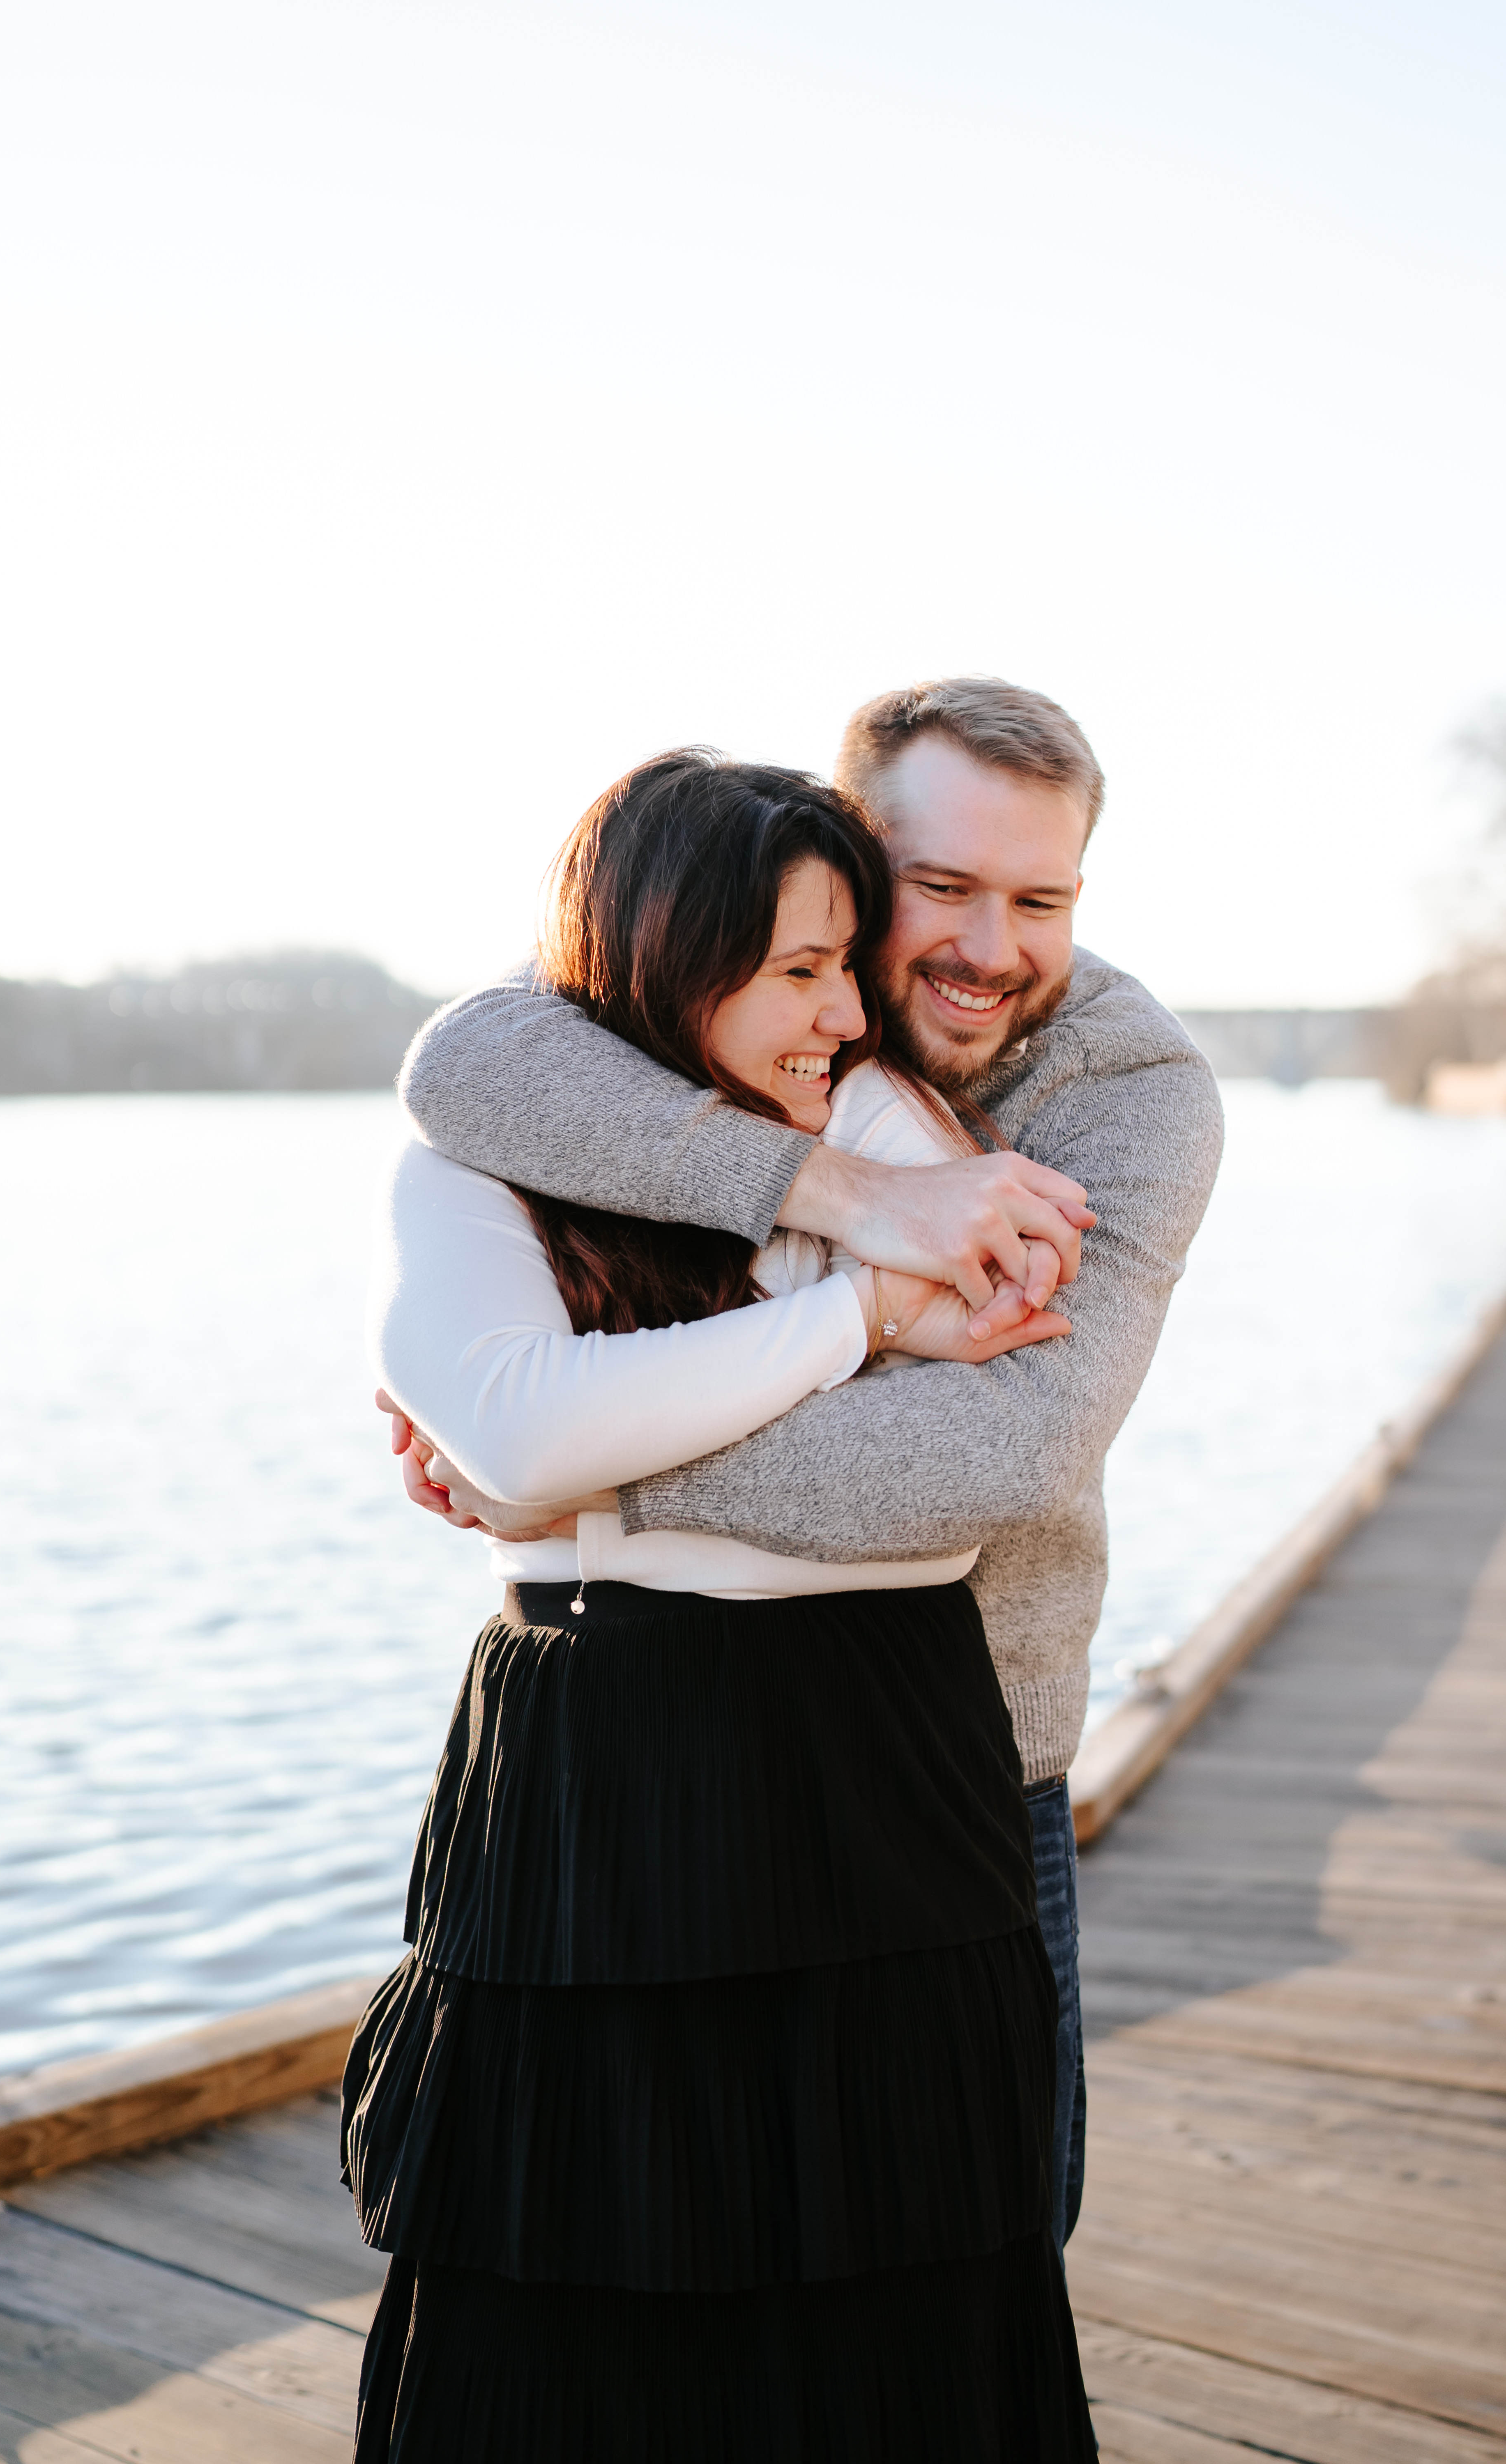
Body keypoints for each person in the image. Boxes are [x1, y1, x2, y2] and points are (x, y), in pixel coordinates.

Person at [396, 678, 1225, 2248]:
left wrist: (581, 1469)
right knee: (647, 2239)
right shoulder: (713, 974)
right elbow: (466, 1068)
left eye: (1039, 898)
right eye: (944, 888)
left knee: (969, 2240)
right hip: (663, 1754)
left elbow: (1000, 1451)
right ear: (850, 858)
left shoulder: (1131, 1090)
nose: (992, 947)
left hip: (963, 1748)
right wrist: (848, 1201)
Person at [351, 750, 1100, 2458]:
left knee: (896, 2297)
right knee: (569, 2296)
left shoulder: (896, 1131)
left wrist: (597, 1469)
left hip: (877, 1761)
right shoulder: (483, 1159)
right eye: (794, 969)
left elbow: (937, 1501)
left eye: (847, 959)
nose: (843, 1013)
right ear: (665, 956)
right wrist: (850, 1329)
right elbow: (509, 1422)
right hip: (594, 1777)